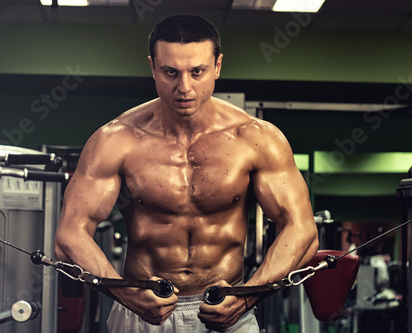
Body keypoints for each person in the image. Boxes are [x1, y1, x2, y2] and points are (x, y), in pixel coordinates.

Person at [55, 14, 319, 333]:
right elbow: (70, 234)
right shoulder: (116, 140)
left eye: (197, 72)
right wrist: (123, 292)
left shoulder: (257, 139)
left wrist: (249, 297)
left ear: (217, 66)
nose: (184, 87)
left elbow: (302, 230)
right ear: (153, 67)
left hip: (228, 309)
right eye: (170, 72)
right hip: (141, 311)